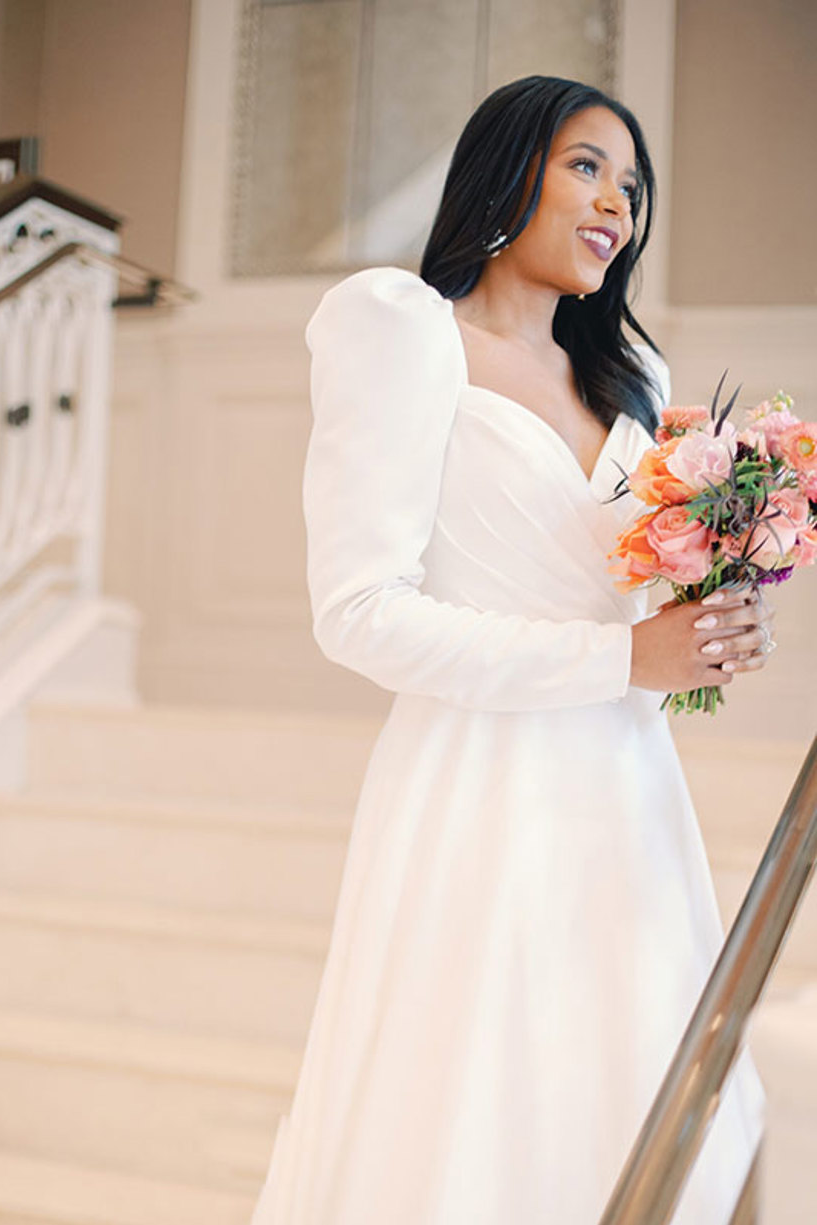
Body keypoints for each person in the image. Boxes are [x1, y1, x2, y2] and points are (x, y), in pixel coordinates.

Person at [250, 75, 770, 1225]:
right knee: (476, 1128)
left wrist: (714, 624)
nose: (614, 205)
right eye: (587, 166)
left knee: (640, 1106)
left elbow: (632, 614)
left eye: (632, 187)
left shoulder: (636, 384)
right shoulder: (401, 327)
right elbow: (360, 610)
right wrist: (619, 664)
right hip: (478, 796)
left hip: (629, 800)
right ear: (507, 166)